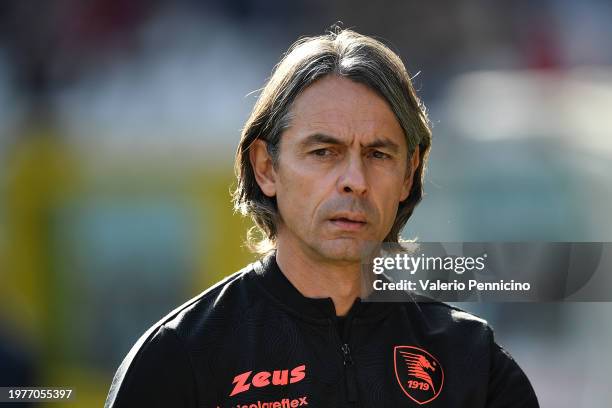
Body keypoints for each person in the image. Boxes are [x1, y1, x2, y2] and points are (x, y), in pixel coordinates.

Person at [105, 29, 539, 407]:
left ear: (408, 175)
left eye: (378, 154)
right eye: (323, 152)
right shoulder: (180, 357)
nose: (355, 180)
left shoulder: (473, 363)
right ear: (266, 168)